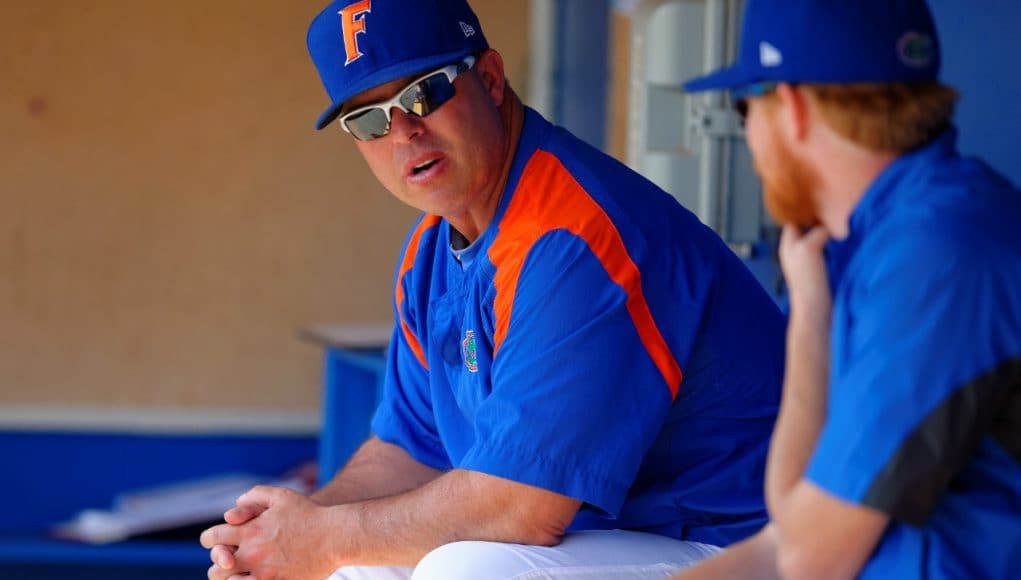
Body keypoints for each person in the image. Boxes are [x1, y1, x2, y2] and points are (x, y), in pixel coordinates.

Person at [200, 0, 786, 578]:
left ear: (490, 79)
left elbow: (522, 507)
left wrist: (323, 538)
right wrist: (283, 536)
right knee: (356, 569)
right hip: (613, 542)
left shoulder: (574, 233)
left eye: (423, 93)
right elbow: (411, 450)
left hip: (740, 543)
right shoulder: (429, 252)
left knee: (468, 569)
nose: (404, 131)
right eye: (369, 120)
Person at [676, 0, 1021, 578]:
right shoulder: (874, 240)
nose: (753, 142)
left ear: (793, 108)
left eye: (746, 109)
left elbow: (807, 554)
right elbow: (781, 544)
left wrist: (810, 321)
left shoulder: (938, 254)